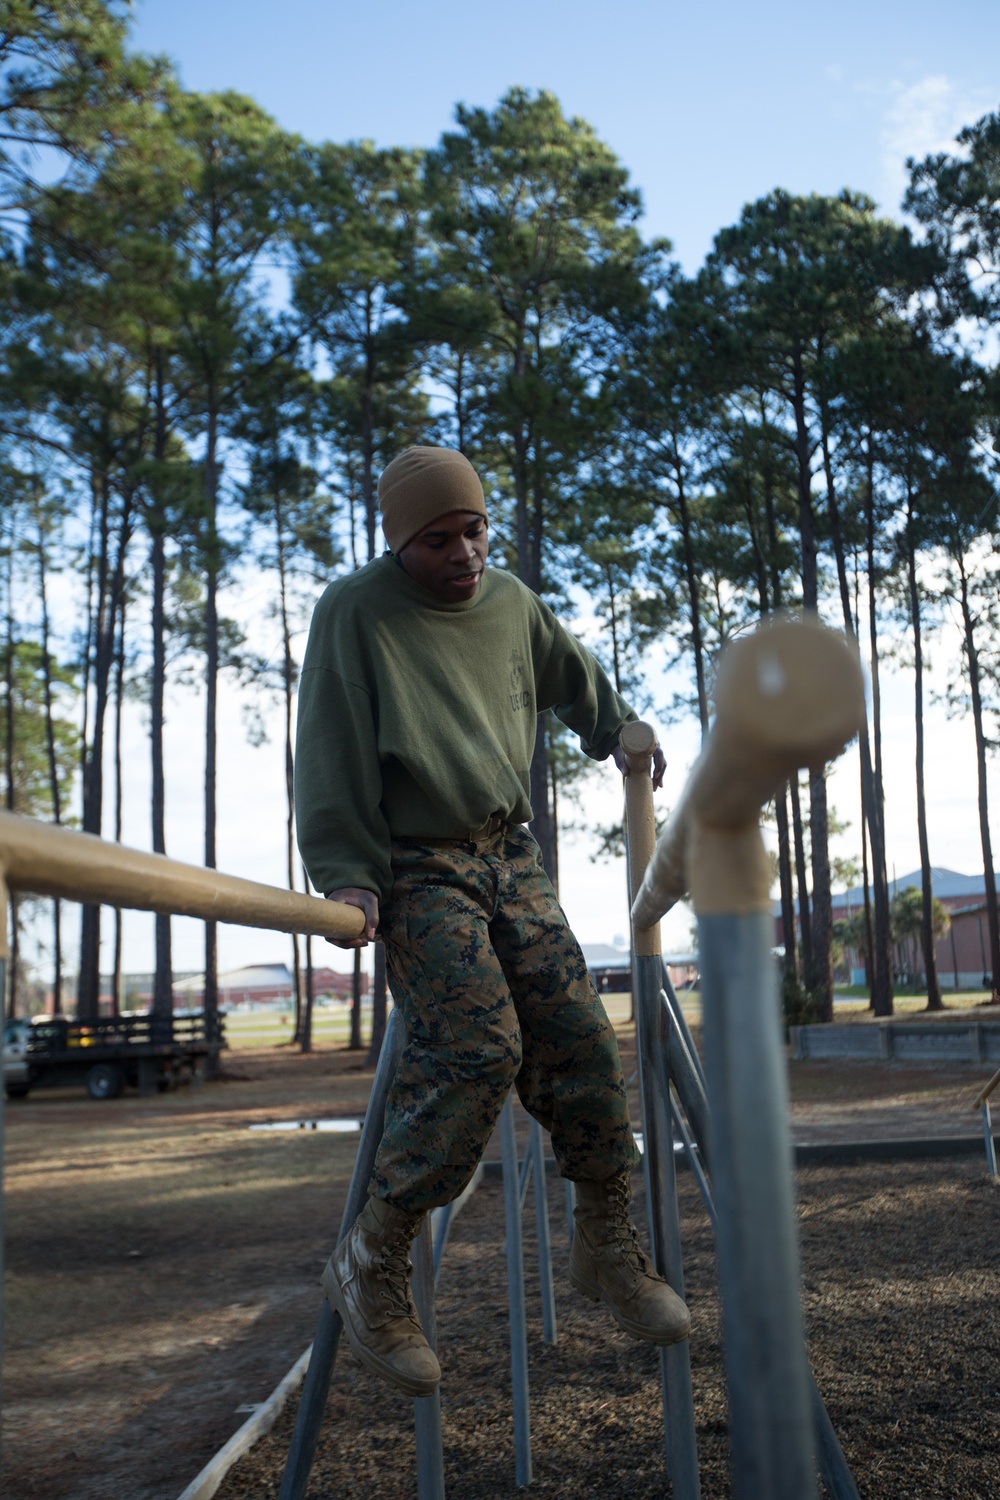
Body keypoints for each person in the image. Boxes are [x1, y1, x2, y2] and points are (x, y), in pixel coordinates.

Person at [294, 445, 690, 1398]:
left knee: (586, 1046)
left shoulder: (510, 600)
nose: (466, 552)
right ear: (401, 543)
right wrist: (347, 877)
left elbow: (572, 672)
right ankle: (370, 1258)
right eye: (440, 540)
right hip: (419, 866)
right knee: (477, 1048)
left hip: (510, 855)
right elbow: (330, 750)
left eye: (476, 529)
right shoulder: (355, 613)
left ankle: (605, 1245)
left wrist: (620, 732)